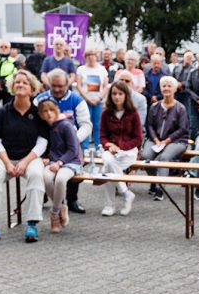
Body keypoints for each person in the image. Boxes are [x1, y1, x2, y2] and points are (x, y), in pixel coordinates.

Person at [0, 70, 48, 243]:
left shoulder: (38, 112)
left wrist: (26, 162)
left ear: (32, 89)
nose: (20, 85)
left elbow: (42, 142)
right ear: (12, 87)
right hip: (5, 158)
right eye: (17, 82)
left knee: (36, 175)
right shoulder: (2, 112)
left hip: (30, 158)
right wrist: (8, 164)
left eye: (24, 83)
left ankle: (32, 223)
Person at [38, 99, 88, 232]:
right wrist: (46, 158)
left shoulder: (66, 125)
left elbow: (73, 149)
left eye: (51, 110)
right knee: (46, 178)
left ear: (56, 111)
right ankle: (61, 206)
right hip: (54, 161)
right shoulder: (46, 128)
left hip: (71, 161)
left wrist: (60, 162)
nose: (48, 114)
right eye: (44, 111)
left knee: (60, 179)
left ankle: (54, 213)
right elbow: (49, 147)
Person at [98, 81, 142, 216]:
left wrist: (120, 147)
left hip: (128, 151)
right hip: (109, 151)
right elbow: (102, 136)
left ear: (126, 95)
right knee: (109, 162)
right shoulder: (106, 113)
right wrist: (109, 146)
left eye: (120, 94)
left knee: (107, 170)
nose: (117, 97)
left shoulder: (133, 113)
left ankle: (109, 205)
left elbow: (138, 138)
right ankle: (126, 193)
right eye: (114, 94)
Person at [142, 76, 189, 200]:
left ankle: (160, 189)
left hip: (177, 141)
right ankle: (154, 181)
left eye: (169, 86)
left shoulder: (180, 108)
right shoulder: (154, 107)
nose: (166, 88)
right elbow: (150, 125)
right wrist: (156, 140)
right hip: (156, 139)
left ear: (174, 89)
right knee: (146, 157)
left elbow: (182, 129)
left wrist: (166, 141)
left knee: (163, 158)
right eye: (164, 86)